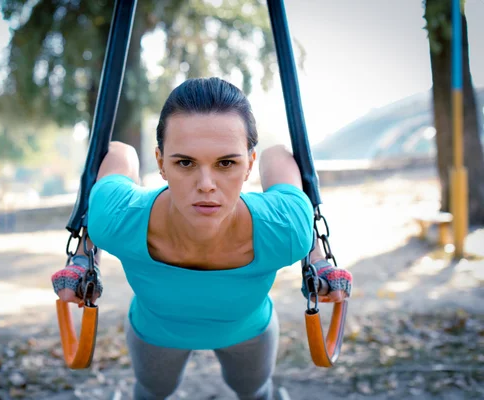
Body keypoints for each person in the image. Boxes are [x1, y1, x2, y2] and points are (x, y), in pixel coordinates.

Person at [51, 77, 352, 400]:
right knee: (151, 394)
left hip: (247, 330)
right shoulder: (118, 218)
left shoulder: (284, 228)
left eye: (226, 163)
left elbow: (277, 154)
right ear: (161, 163)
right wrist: (83, 259)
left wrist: (319, 263)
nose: (206, 184)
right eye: (185, 162)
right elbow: (120, 152)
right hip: (157, 330)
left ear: (249, 163)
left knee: (256, 394)